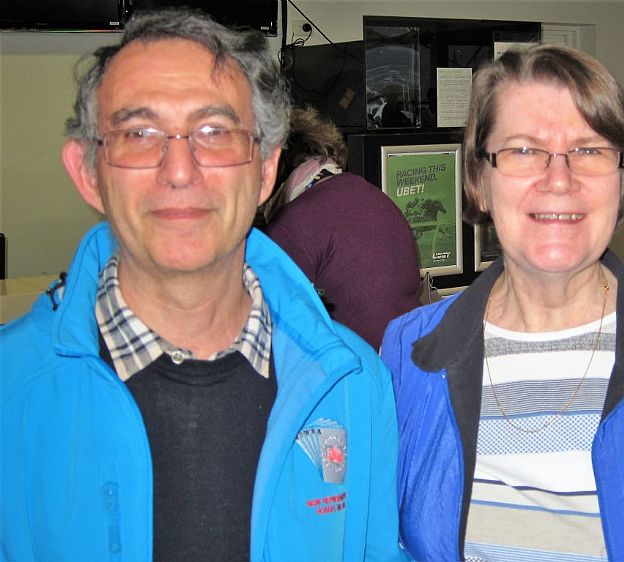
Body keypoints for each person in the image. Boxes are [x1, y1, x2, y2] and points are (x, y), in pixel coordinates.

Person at [0, 9, 405, 561]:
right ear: (89, 171)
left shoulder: (355, 385)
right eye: (139, 133)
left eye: (215, 132)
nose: (179, 170)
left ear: (266, 169)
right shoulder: (12, 392)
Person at [380, 45, 624, 561]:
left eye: (589, 150)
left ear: (623, 180)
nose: (559, 179)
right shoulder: (405, 357)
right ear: (479, 180)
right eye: (524, 150)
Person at [263, 106, 422, 349]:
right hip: (408, 358)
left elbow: (269, 328)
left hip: (357, 367)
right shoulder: (377, 198)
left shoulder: (293, 223)